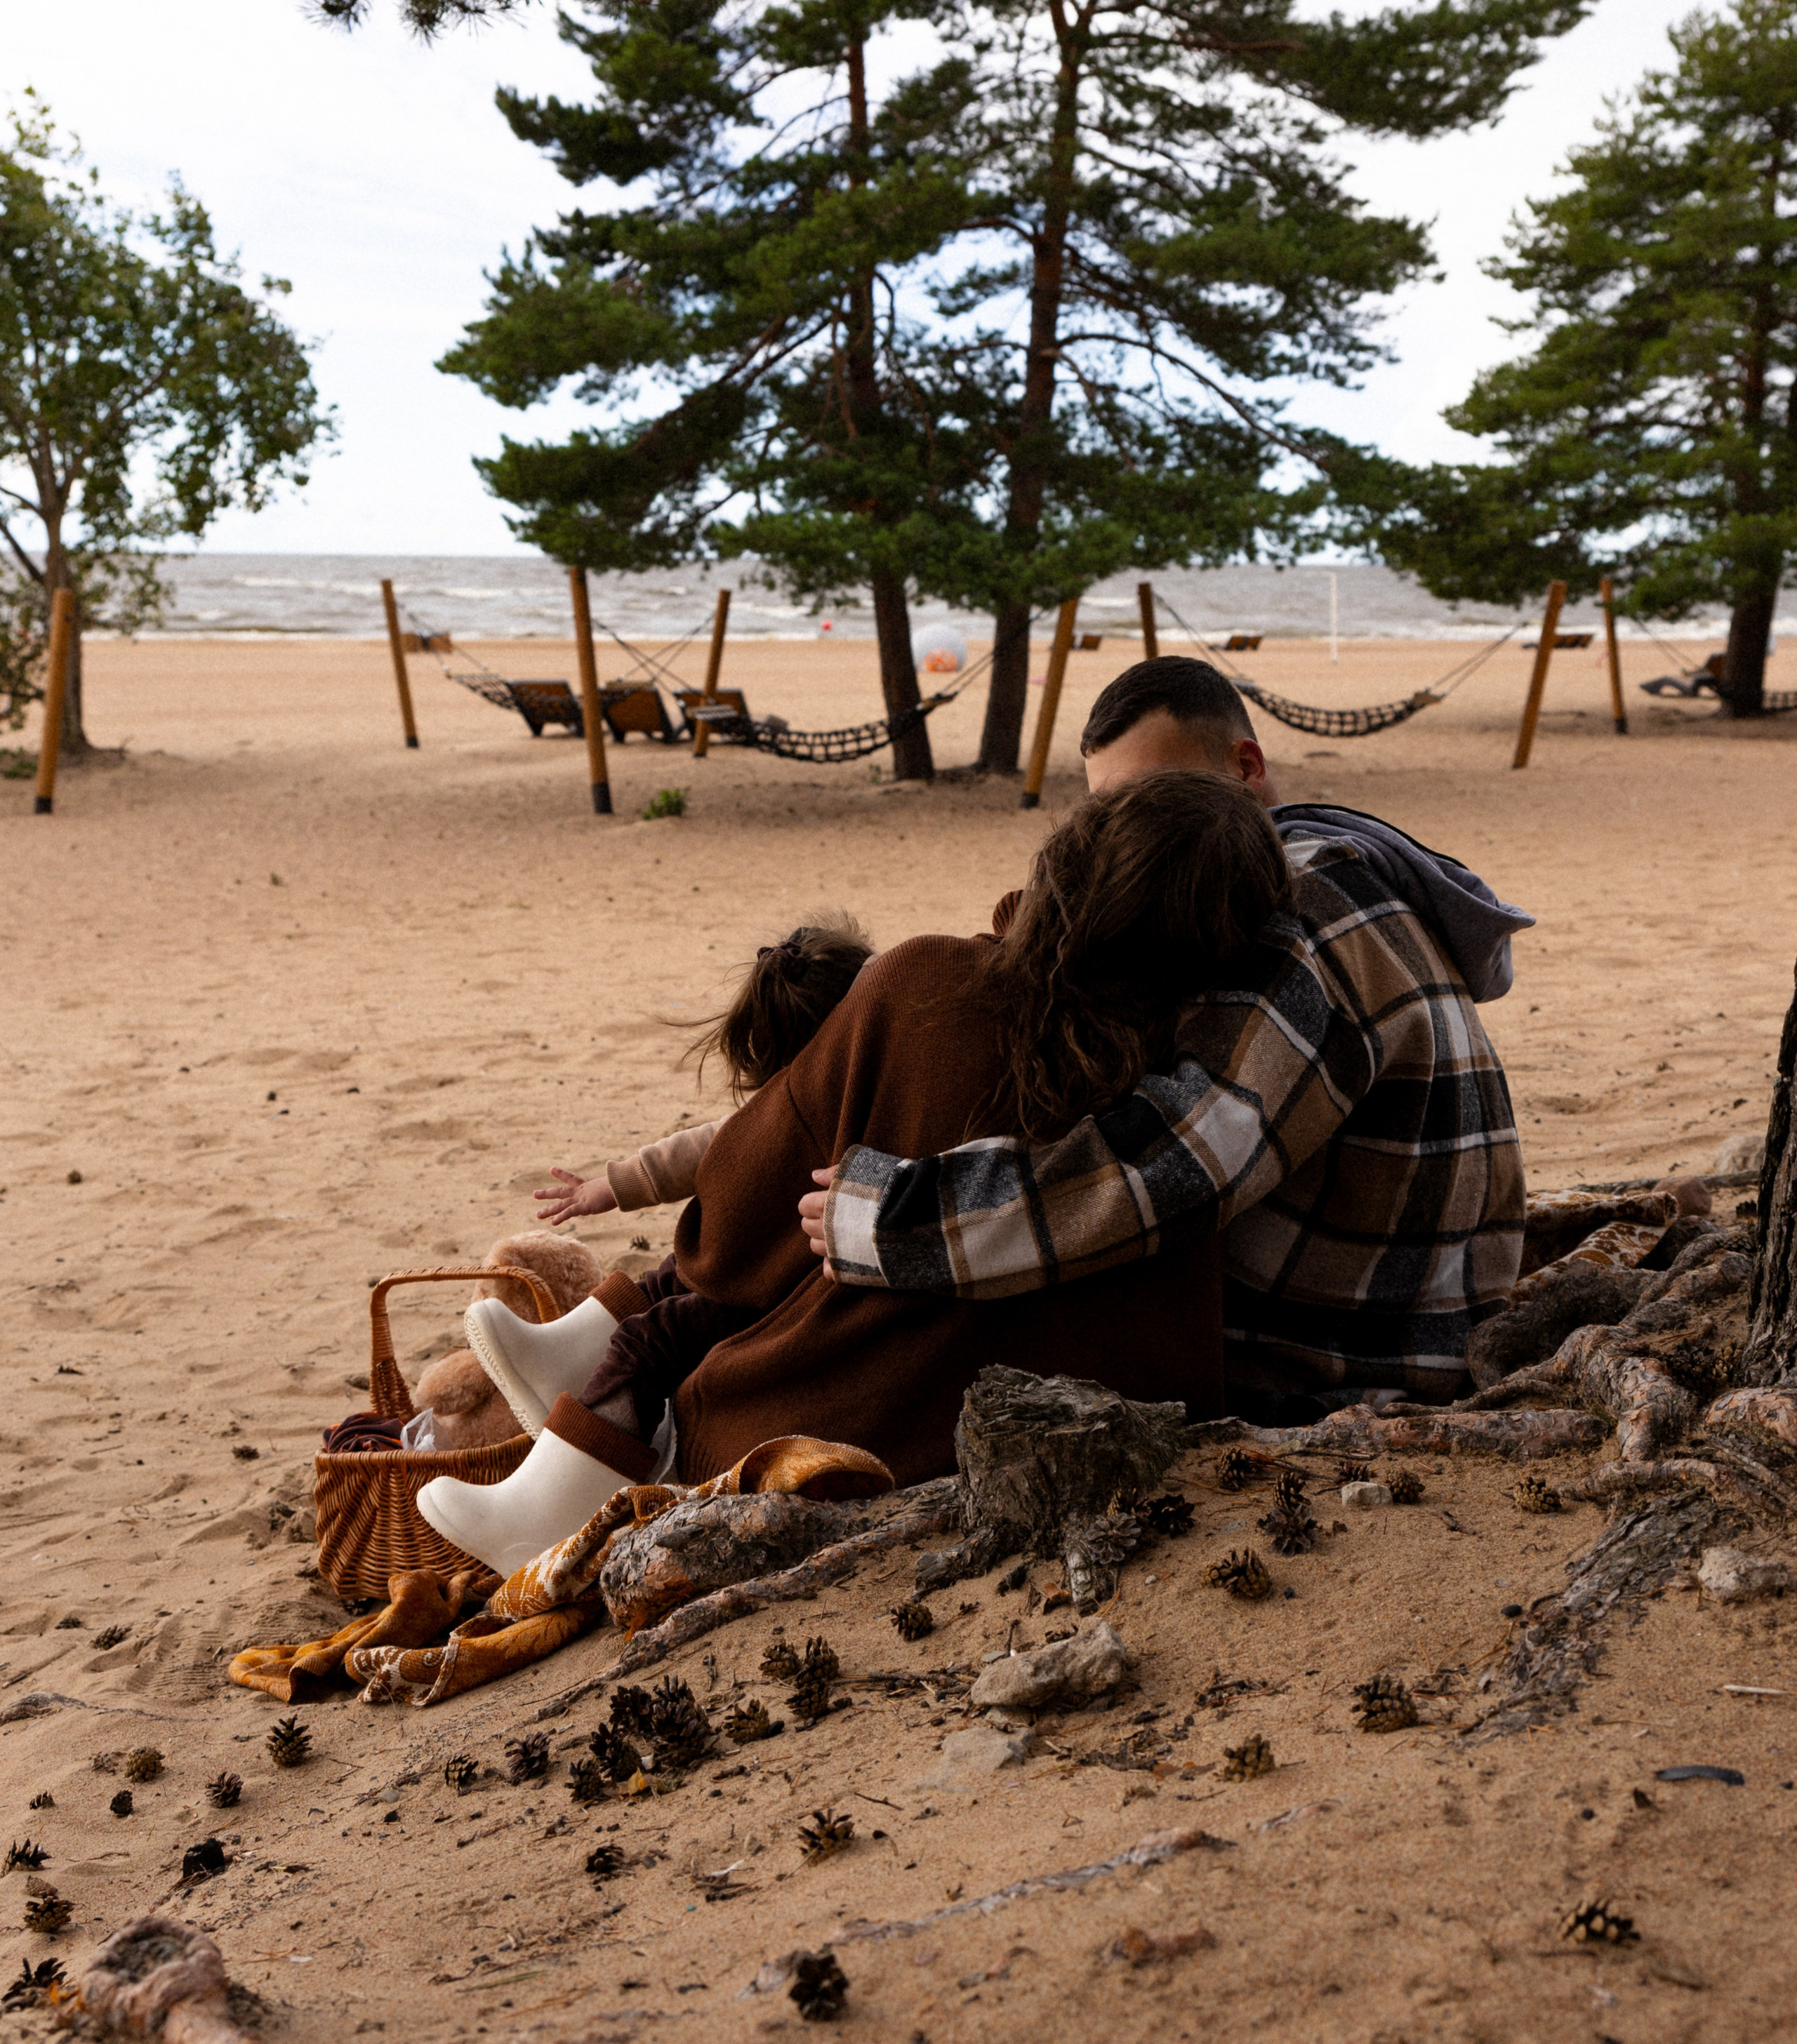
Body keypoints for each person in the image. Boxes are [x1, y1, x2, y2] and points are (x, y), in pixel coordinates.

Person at [418, 771, 1286, 1574]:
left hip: (816, 1427)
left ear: (1070, 863)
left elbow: (737, 1211)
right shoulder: (1190, 1105)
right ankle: (588, 1360)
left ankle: (568, 1464)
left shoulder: (933, 981)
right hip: (1079, 1440)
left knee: (735, 1272)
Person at [800, 656, 1529, 1420]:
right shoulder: (1329, 872)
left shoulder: (1308, 912)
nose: (1122, 832)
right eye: (1105, 810)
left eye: (1153, 796)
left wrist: (893, 1218)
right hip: (1387, 1325)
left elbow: (1180, 1160)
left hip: (1335, 1368)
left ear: (1246, 768)